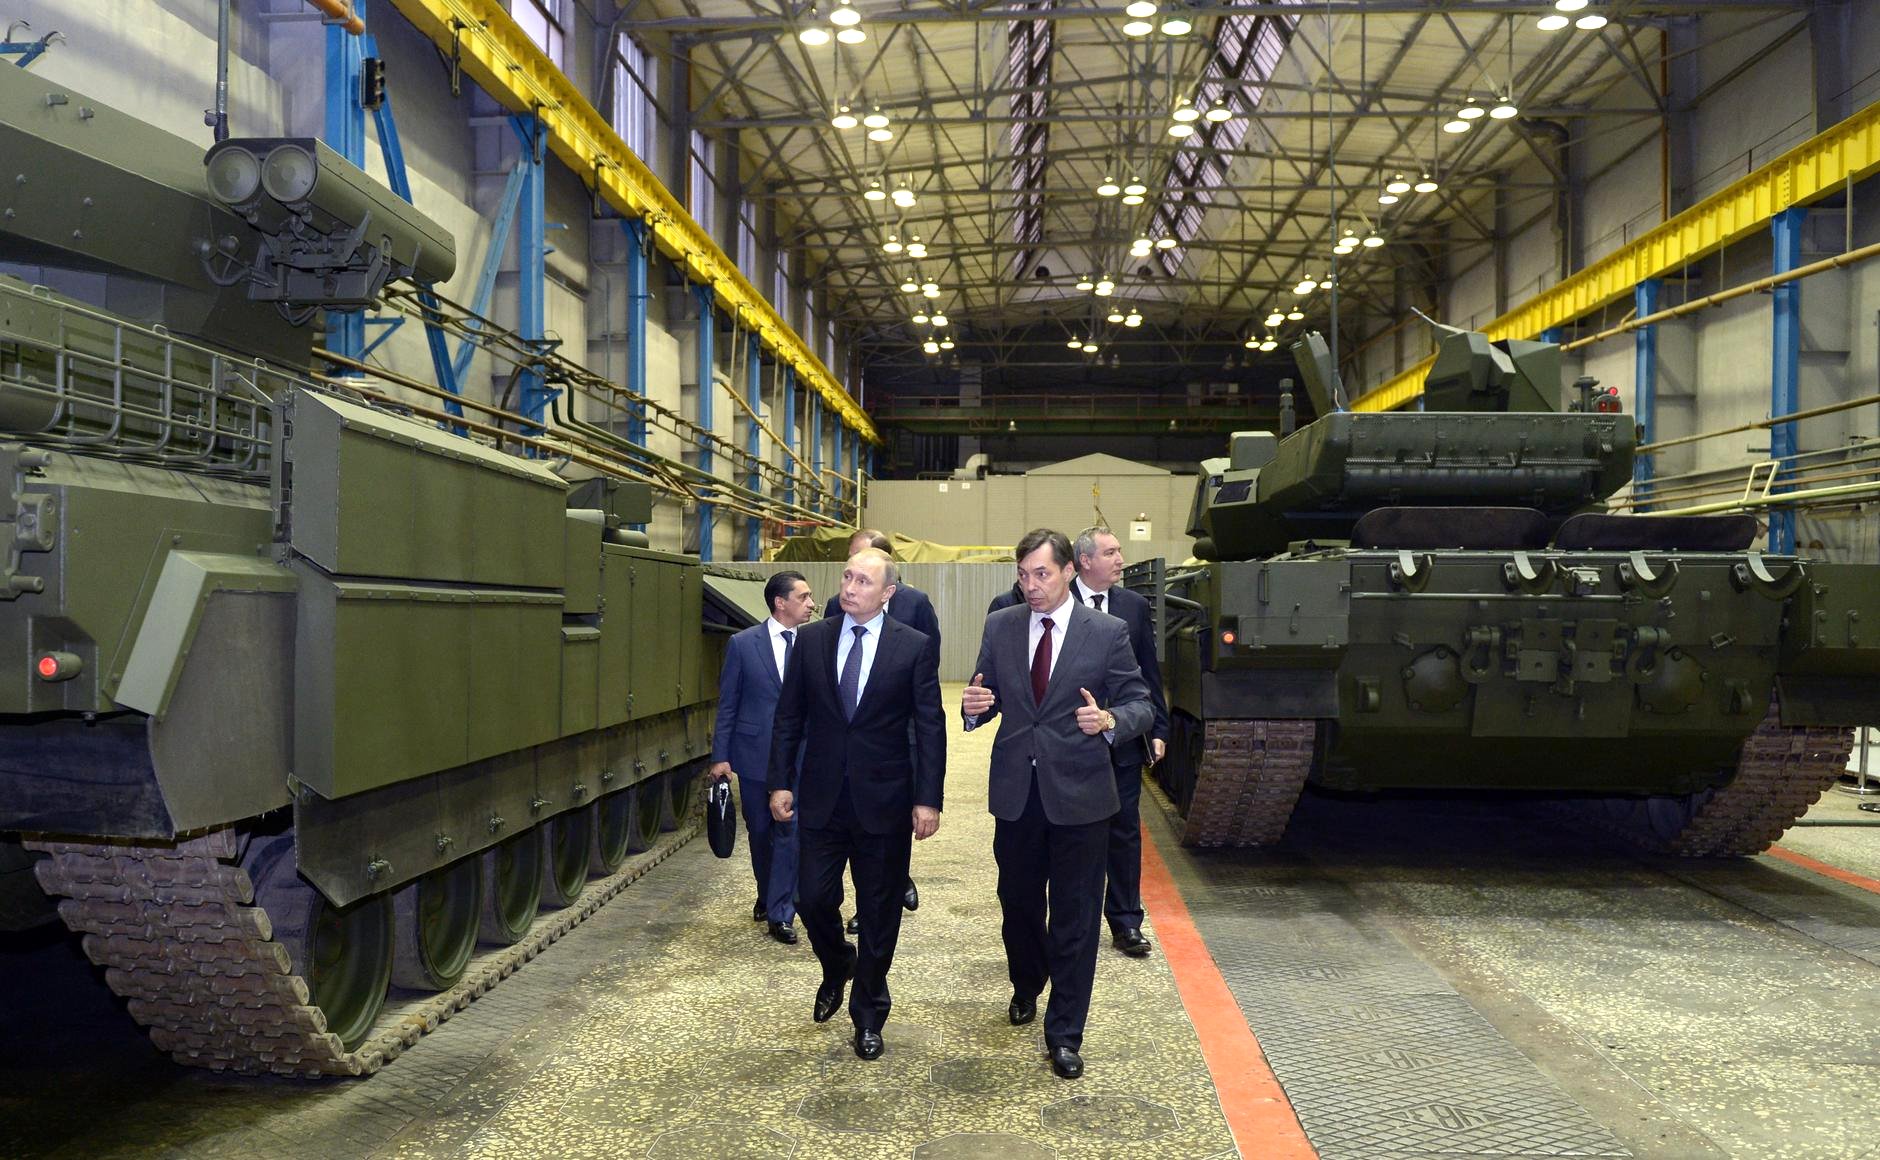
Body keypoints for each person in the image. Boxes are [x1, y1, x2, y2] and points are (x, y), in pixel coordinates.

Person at [961, 529, 1154, 1080]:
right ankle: (1027, 981)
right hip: (1018, 796)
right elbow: (984, 694)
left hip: (1082, 798)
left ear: (1069, 570)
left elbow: (1140, 701)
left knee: (1074, 918)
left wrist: (1111, 720)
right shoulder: (1002, 624)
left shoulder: (1109, 632)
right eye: (1023, 575)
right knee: (1018, 904)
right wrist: (974, 708)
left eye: (1041, 574)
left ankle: (1065, 1032)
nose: (1030, 586)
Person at [770, 549, 946, 1061]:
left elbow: (929, 726)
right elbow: (789, 717)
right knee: (811, 898)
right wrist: (780, 782)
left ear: (887, 592)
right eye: (848, 577)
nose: (850, 587)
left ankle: (869, 1012)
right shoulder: (812, 639)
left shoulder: (912, 647)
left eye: (863, 581)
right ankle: (836, 962)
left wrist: (927, 798)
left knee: (879, 912)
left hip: (885, 802)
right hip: (822, 797)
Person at [1070, 526, 1170, 959]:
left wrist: (1159, 729)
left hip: (1123, 739)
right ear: (1084, 561)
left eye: (1120, 551)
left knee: (1125, 832)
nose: (1120, 559)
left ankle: (1126, 922)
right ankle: (1073, 920)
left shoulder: (1131, 605)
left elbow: (1149, 672)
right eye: (1110, 552)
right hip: (1070, 742)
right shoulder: (1058, 601)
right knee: (1072, 833)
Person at [825, 528, 933, 922]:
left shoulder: (916, 605)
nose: (852, 584)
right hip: (846, 743)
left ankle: (890, 882)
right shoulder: (833, 612)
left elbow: (926, 677)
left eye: (865, 574)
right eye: (849, 569)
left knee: (887, 819)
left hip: (897, 731)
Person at [709, 572, 815, 945]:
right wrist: (720, 756)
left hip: (801, 755)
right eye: (804, 597)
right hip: (754, 755)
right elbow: (728, 704)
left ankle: (781, 912)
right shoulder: (743, 644)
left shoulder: (816, 643)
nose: (812, 604)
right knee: (761, 832)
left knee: (790, 830)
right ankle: (769, 891)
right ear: (780, 603)